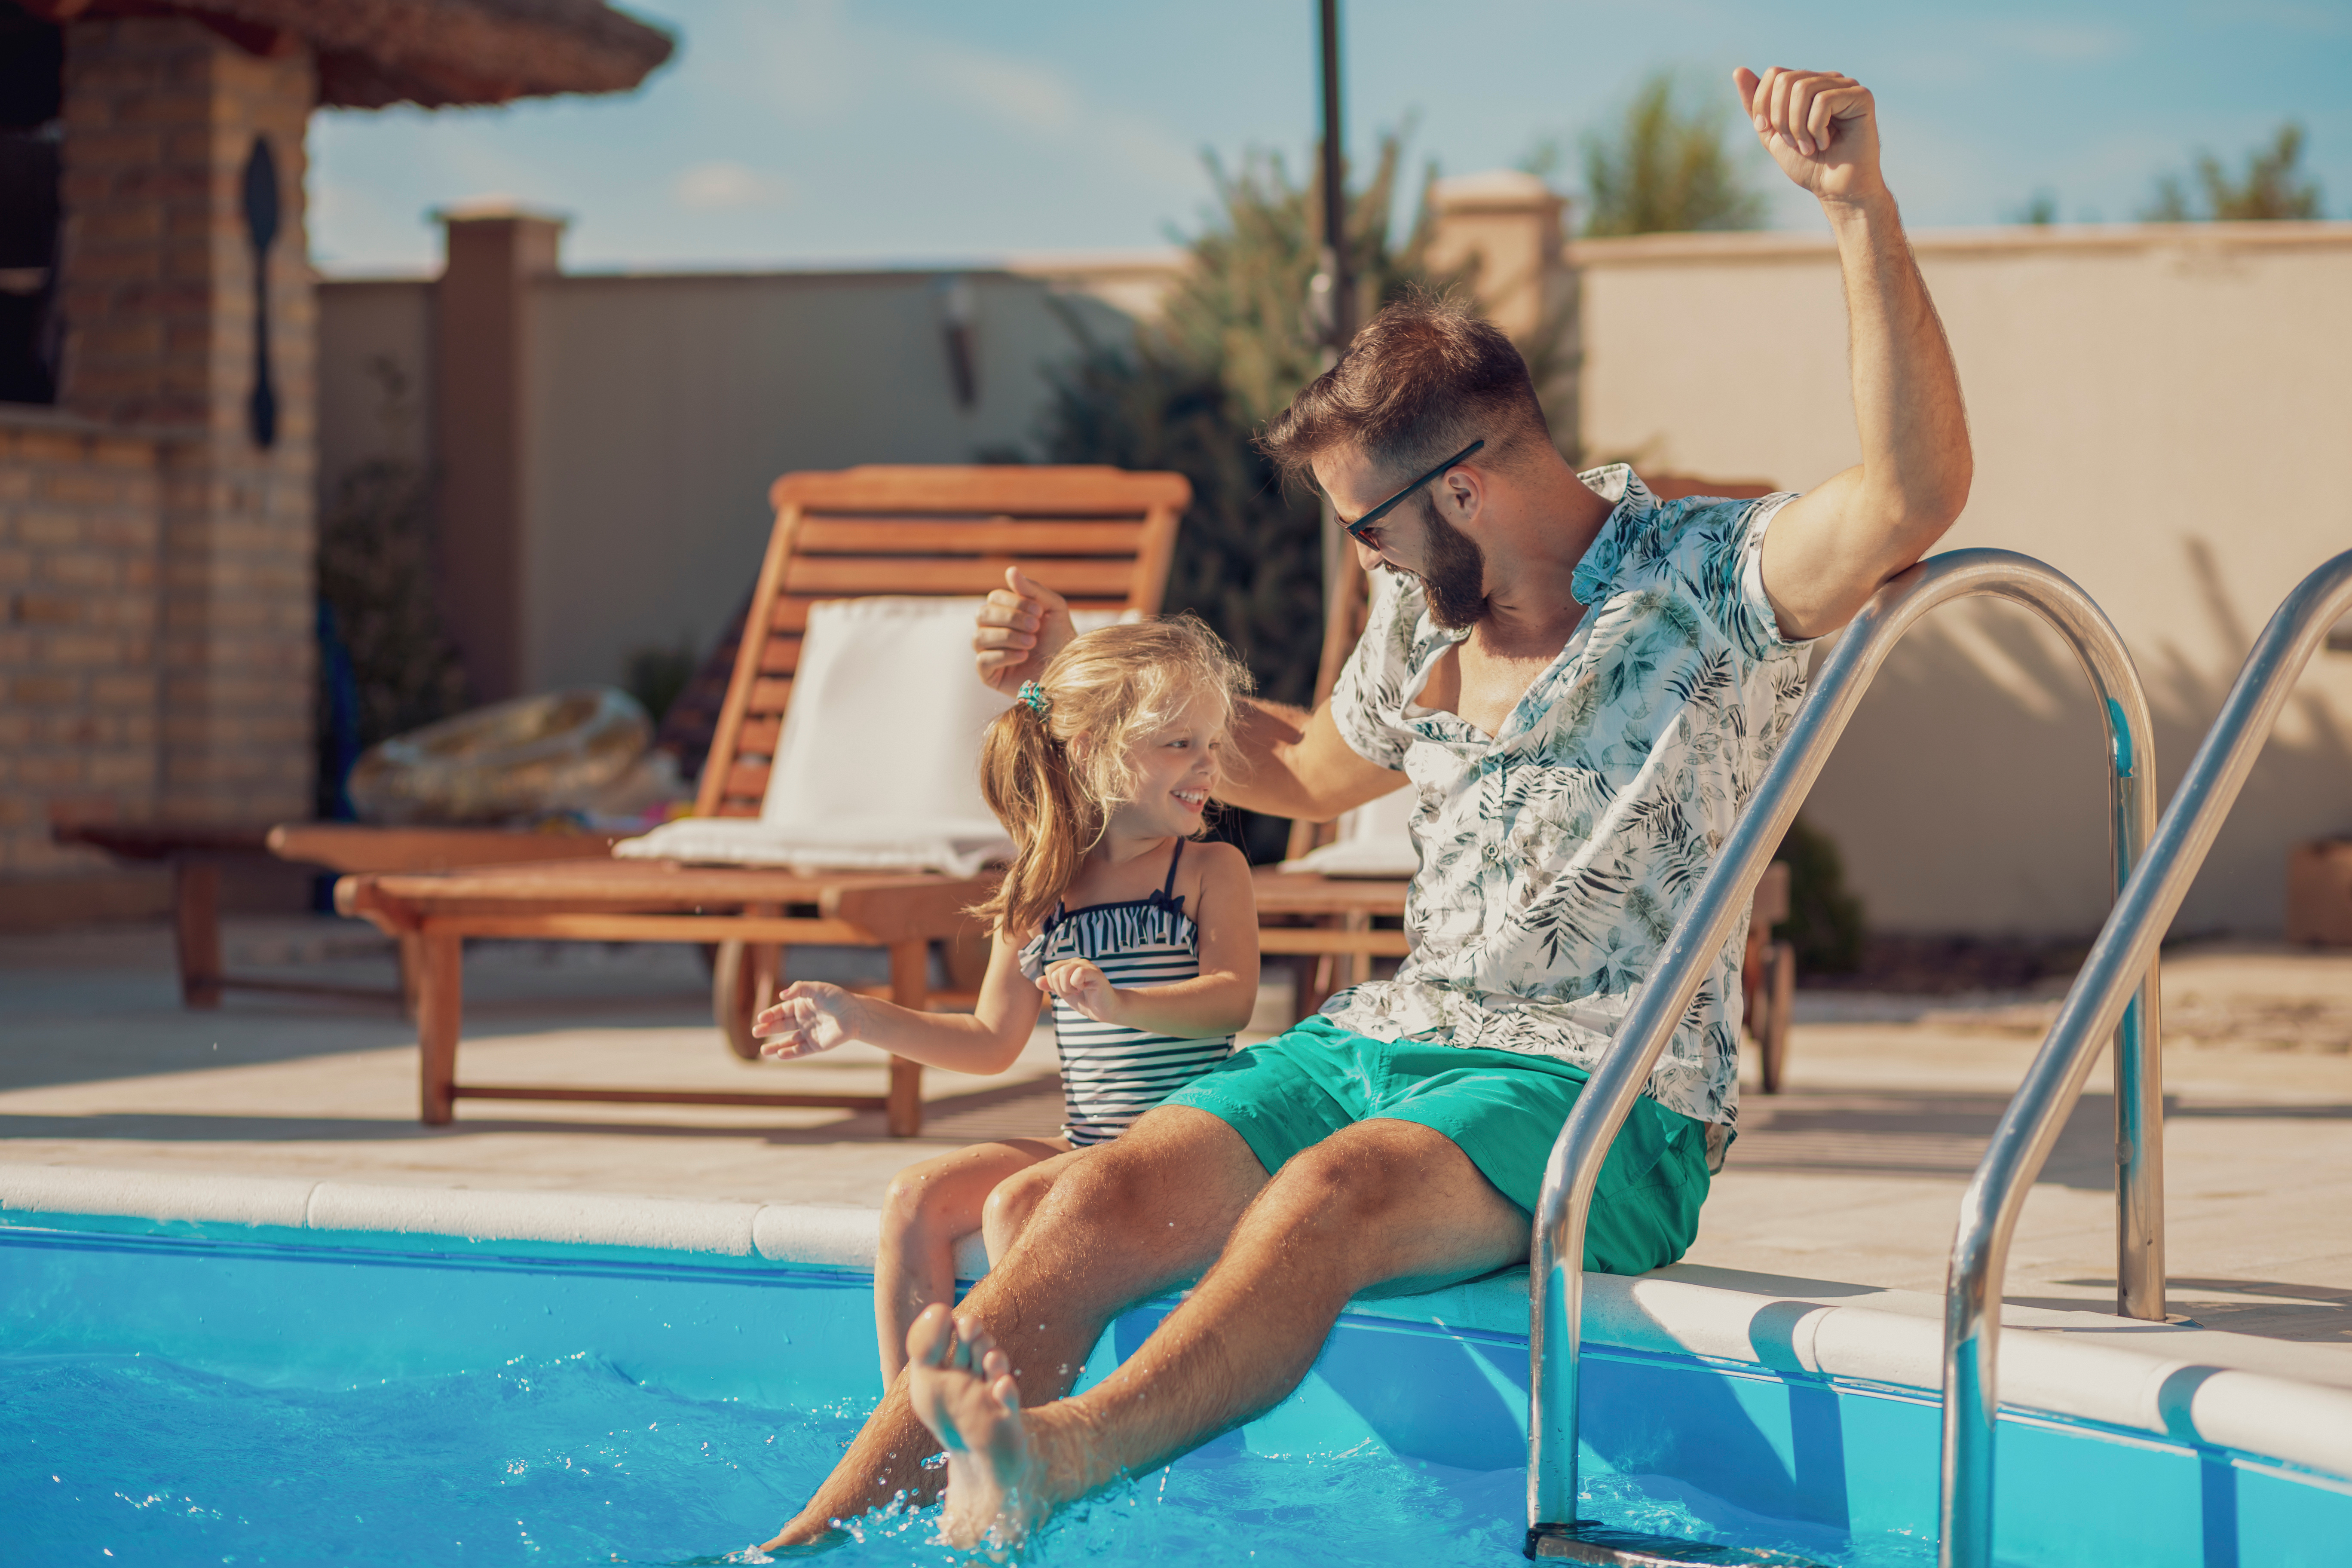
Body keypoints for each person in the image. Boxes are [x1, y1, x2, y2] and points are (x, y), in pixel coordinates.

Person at [760, 65, 1973, 1552]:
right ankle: (807, 1540)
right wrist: (1089, 656)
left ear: (1461, 492)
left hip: (1605, 1093)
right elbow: (1304, 773)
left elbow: (1912, 495)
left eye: (1365, 528)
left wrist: (1857, 208)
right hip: (1385, 1043)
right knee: (1098, 1197)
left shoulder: (1707, 580)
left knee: (1330, 1192)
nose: (1365, 562)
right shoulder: (1421, 622)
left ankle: (1053, 1458)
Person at [750, 616, 1261, 1387]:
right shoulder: (1041, 891)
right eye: (1179, 743)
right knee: (914, 1197)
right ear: (1091, 751)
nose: (1207, 764)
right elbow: (989, 1041)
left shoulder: (1207, 871)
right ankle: (913, 1428)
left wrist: (1122, 1003)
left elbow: (1232, 1001)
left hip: (1189, 1154)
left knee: (1017, 1204)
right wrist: (858, 1017)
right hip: (1092, 1144)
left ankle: (1023, 1423)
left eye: (1211, 743)